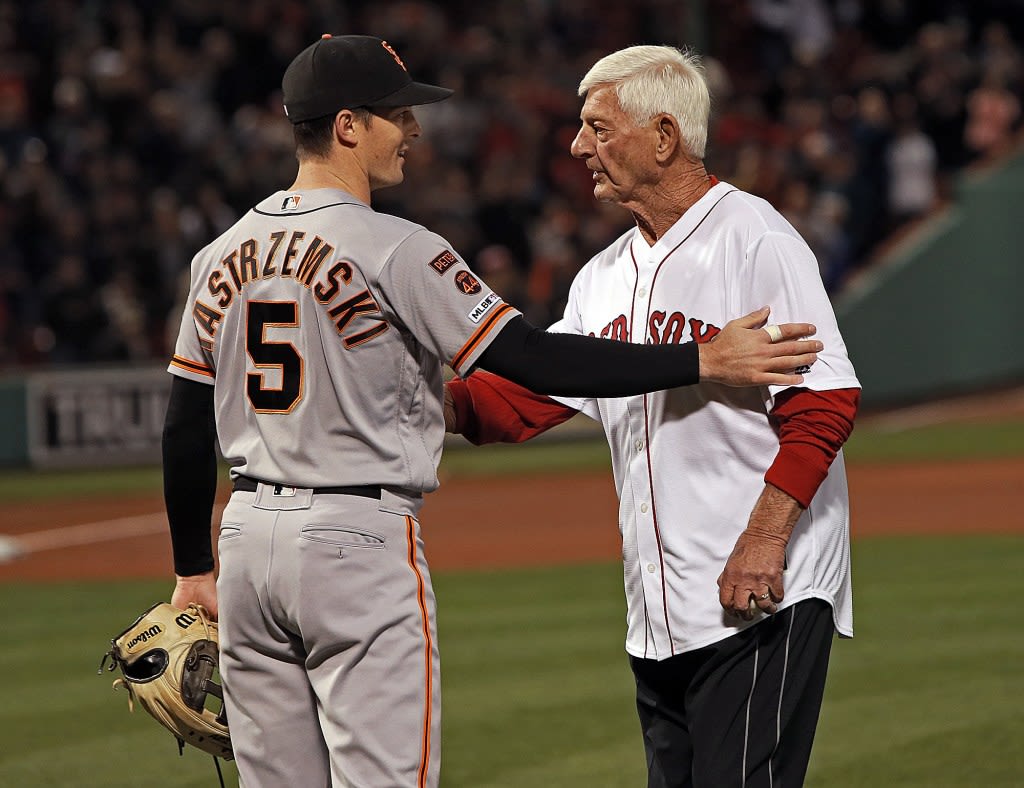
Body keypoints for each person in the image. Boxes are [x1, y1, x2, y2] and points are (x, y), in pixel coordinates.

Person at [161, 34, 822, 788]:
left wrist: (192, 568)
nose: (413, 129)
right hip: (355, 541)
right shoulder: (399, 248)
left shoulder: (219, 254)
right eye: (396, 114)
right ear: (347, 126)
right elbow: (538, 363)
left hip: (246, 540)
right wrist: (698, 359)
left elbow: (183, 426)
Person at [445, 44, 860, 787]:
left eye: (598, 128)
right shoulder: (603, 276)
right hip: (661, 612)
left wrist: (766, 539)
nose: (578, 146)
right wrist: (420, 399)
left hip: (764, 591)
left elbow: (824, 401)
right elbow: (524, 401)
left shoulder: (753, 238)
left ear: (664, 137)